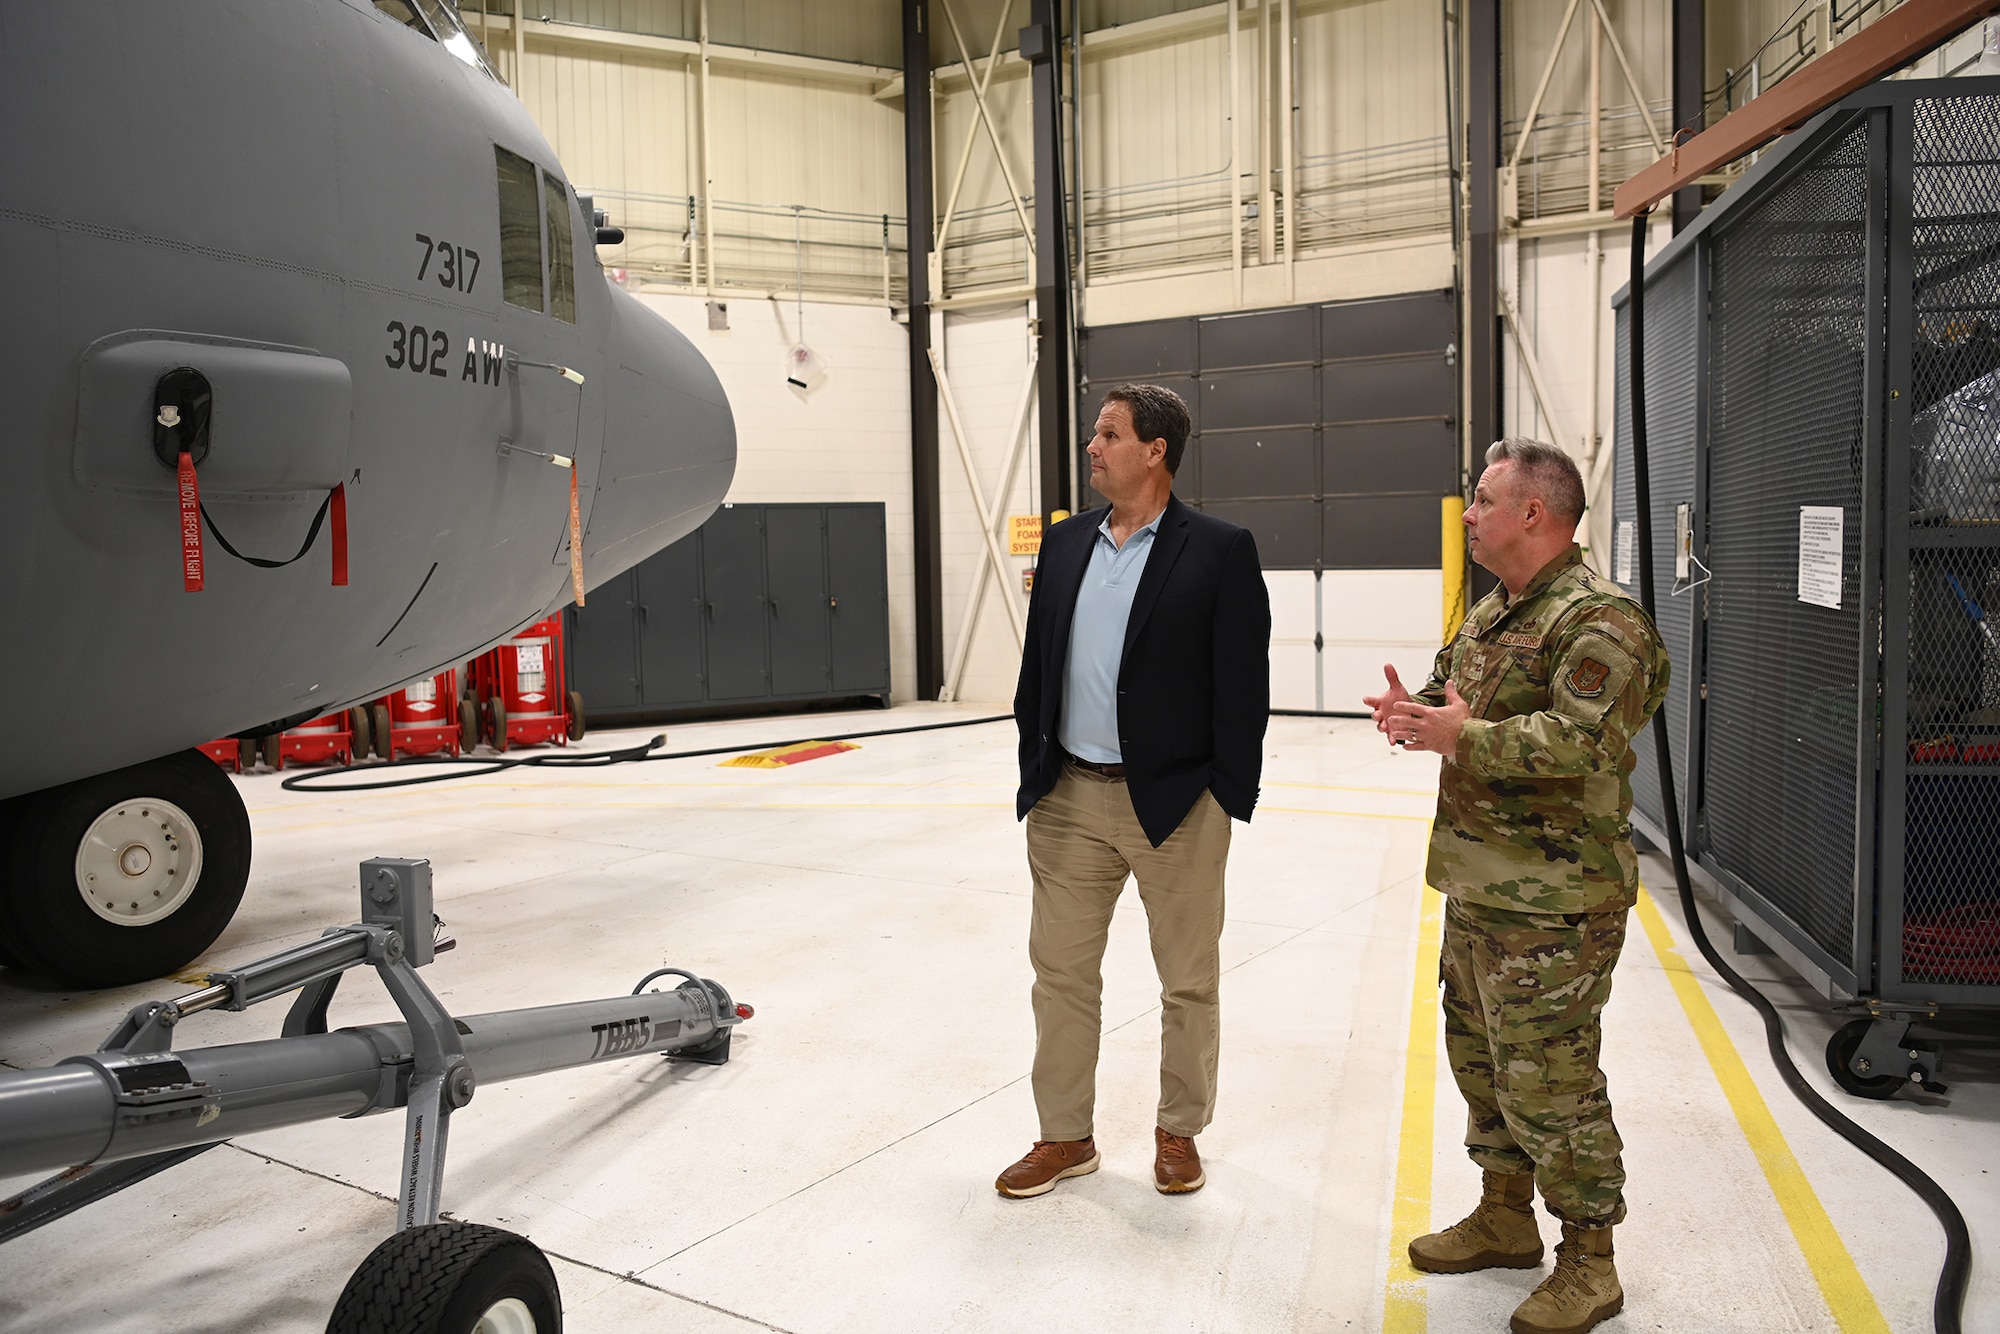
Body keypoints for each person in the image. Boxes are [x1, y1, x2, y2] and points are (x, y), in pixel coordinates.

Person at [1364, 437, 1668, 1334]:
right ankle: (1505, 1217)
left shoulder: (1602, 621)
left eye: (1483, 500)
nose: (1468, 514)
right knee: (1484, 1064)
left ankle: (1590, 1262)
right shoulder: (1496, 610)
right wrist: (1415, 712)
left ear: (1533, 512)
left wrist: (1460, 736)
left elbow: (1583, 741)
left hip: (1557, 904)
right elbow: (1452, 694)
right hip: (1481, 884)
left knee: (1552, 1081)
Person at [997, 383, 1270, 1201]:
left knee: (1187, 980)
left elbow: (1243, 686)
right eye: (1095, 433)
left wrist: (1225, 794)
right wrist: (1035, 770)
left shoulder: (1219, 549)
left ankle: (1178, 1131)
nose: (1093, 446)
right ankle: (1064, 1137)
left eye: (1109, 434)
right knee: (1060, 976)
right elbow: (1038, 667)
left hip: (1177, 802)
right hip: (1068, 797)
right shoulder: (1066, 543)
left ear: (1156, 450)